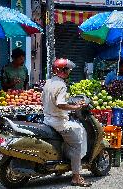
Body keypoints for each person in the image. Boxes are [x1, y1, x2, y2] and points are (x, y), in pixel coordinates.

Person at [41, 58, 91, 187]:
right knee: (76, 144)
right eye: (67, 69)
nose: (69, 71)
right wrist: (75, 107)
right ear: (62, 71)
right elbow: (60, 103)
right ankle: (76, 177)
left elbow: (47, 100)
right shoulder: (61, 85)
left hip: (47, 119)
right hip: (58, 122)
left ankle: (60, 168)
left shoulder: (49, 82)